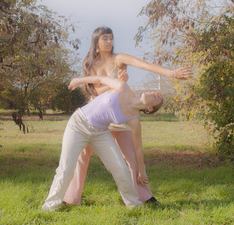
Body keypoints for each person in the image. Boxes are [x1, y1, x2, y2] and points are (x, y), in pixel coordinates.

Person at [63, 26, 191, 206]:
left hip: (119, 115)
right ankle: (71, 199)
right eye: (105, 39)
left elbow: (145, 65)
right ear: (96, 42)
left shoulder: (119, 59)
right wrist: (119, 83)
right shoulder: (89, 63)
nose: (109, 42)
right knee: (81, 158)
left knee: (132, 156)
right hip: (97, 114)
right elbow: (97, 90)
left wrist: (172, 73)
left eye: (111, 38)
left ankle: (144, 196)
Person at [42, 75, 163, 211]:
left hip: (100, 133)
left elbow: (138, 149)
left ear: (149, 109)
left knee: (121, 168)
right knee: (66, 168)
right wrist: (79, 80)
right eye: (154, 92)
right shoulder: (122, 87)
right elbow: (100, 79)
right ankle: (49, 207)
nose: (153, 93)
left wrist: (141, 172)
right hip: (78, 124)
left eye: (156, 97)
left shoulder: (134, 119)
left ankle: (135, 205)